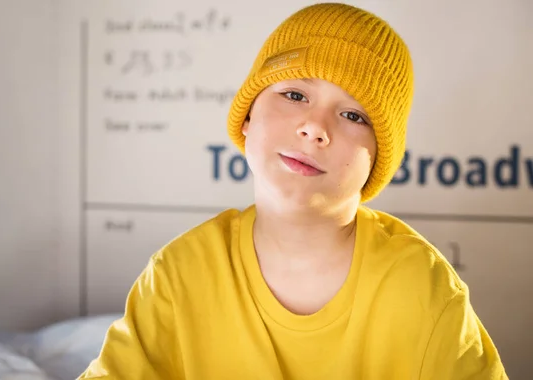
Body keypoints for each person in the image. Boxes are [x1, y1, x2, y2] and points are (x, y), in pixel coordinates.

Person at [78, 3, 507, 379]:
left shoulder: (421, 286)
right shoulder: (178, 275)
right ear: (247, 117)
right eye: (295, 93)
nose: (315, 127)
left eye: (354, 116)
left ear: (378, 158)